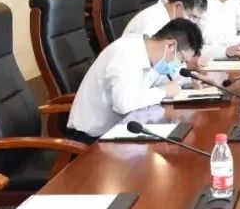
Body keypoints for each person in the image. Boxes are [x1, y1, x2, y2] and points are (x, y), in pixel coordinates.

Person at [68, 19, 204, 141]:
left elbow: (164, 79)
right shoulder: (126, 53)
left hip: (120, 130)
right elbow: (123, 104)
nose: (178, 65)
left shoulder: (147, 51)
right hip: (92, 137)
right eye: (181, 60)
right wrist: (163, 91)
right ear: (170, 46)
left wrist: (191, 78)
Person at [123, 0, 207, 37]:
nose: (193, 22)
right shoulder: (153, 23)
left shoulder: (171, 18)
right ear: (177, 6)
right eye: (192, 17)